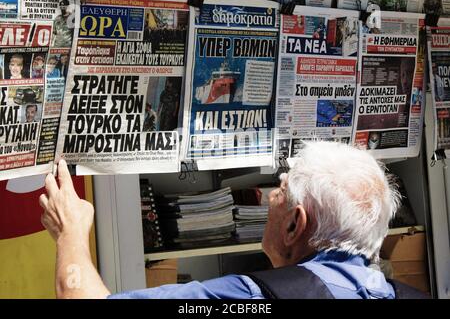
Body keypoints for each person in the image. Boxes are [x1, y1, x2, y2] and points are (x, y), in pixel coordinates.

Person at [39, 141, 430, 299]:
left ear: (296, 224)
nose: (270, 199)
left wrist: (70, 232)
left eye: (279, 190)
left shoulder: (256, 298)